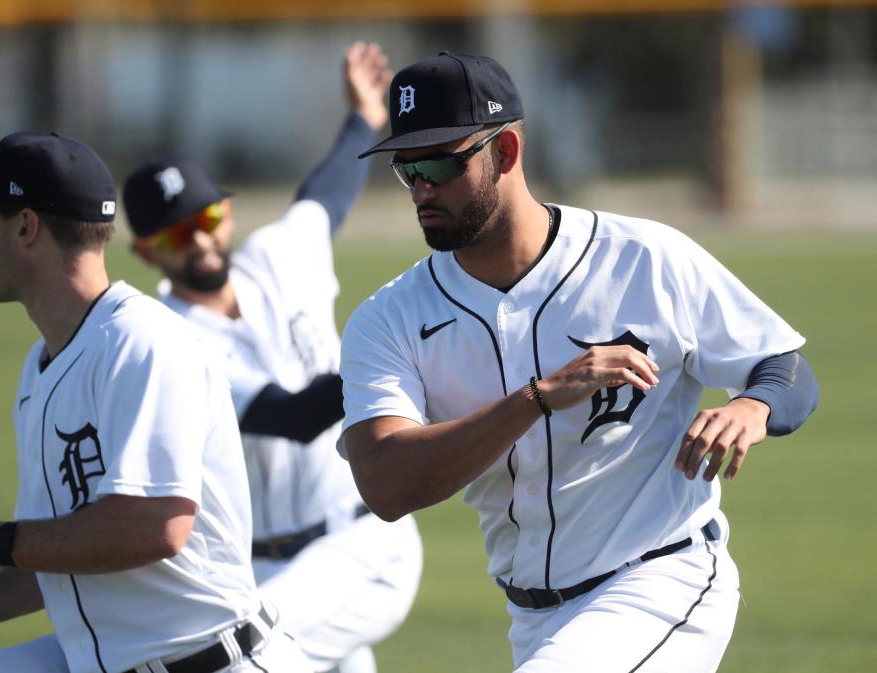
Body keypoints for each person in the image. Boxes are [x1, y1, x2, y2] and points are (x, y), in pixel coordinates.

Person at [340, 52, 819, 673]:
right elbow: (386, 485)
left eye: (438, 164)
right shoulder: (389, 318)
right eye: (406, 171)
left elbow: (785, 366)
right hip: (533, 619)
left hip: (662, 582)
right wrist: (535, 399)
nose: (422, 189)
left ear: (505, 152)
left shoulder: (644, 258)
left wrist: (755, 406)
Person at [0, 132, 312, 673]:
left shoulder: (142, 344)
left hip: (215, 660)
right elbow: (63, 545)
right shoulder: (41, 366)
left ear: (26, 226)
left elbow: (156, 527)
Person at [121, 42, 422, 673]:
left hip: (363, 539)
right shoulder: (165, 339)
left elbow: (327, 193)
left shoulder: (278, 257)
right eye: (177, 233)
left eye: (207, 216)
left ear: (226, 212)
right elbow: (291, 414)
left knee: (243, 658)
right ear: (147, 252)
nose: (201, 238)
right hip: (260, 567)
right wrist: (413, 354)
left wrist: (364, 118)